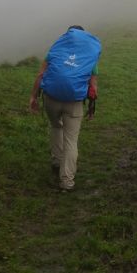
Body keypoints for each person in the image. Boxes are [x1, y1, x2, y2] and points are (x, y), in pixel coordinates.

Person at [29, 25, 101, 191]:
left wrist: (33, 96)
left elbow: (40, 75)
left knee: (56, 126)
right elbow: (93, 85)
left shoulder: (56, 50)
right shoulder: (88, 56)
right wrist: (92, 106)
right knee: (71, 140)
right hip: (74, 103)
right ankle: (67, 181)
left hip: (51, 99)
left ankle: (56, 161)